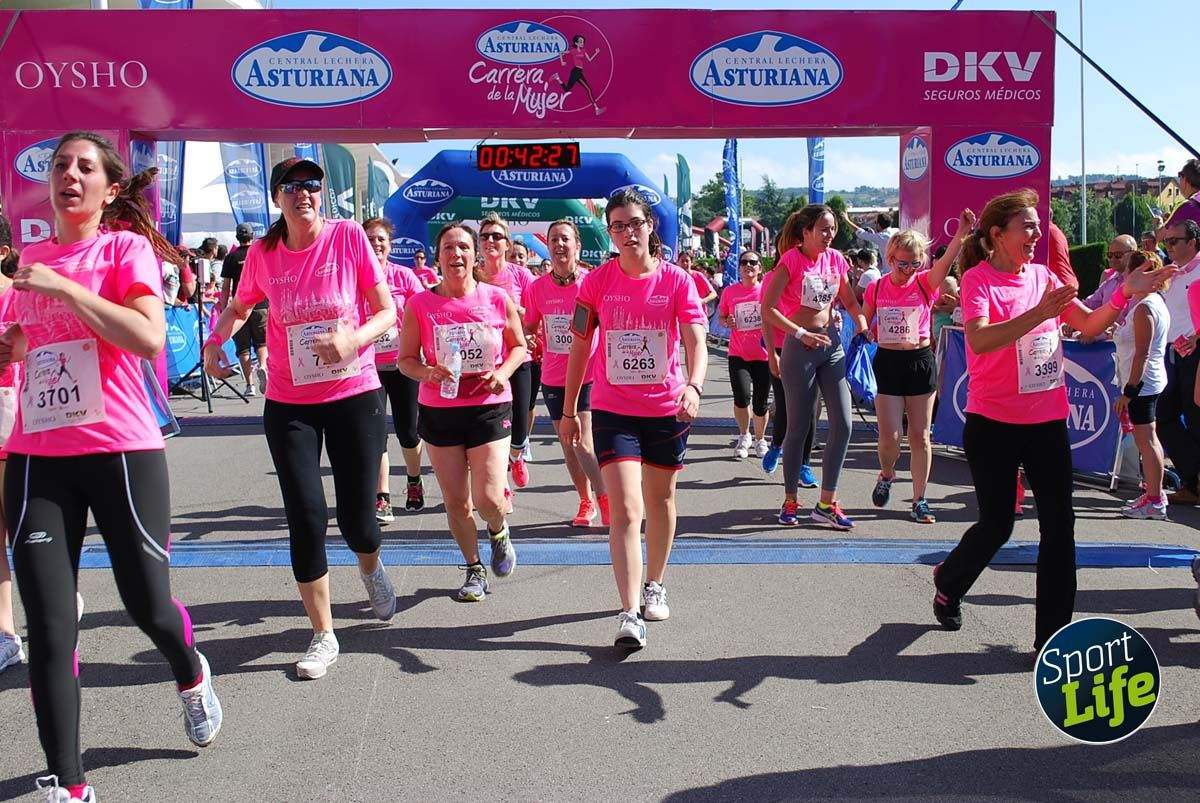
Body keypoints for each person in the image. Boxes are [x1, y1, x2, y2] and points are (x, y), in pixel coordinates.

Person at [3, 131, 223, 802]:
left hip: (121, 450)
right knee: (48, 623)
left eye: (85, 166)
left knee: (146, 603)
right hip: (40, 454)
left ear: (110, 188)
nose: (69, 174)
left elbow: (148, 336)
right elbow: (16, 346)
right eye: (59, 165)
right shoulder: (27, 262)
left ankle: (189, 669)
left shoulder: (122, 250)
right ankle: (69, 784)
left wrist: (65, 288)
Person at [931, 188, 1171, 652]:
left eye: (1039, 225)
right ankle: (950, 579)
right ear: (998, 234)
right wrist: (1039, 313)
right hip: (994, 423)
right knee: (998, 524)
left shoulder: (1042, 276)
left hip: (1046, 422)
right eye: (1028, 226)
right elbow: (979, 341)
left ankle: (1052, 639)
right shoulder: (980, 280)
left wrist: (1126, 292)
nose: (1037, 232)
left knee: (1060, 527)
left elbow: (1088, 325)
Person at [204, 157, 399, 680]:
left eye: (312, 185)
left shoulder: (349, 237)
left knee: (359, 520)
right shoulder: (264, 253)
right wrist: (215, 340)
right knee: (307, 515)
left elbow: (386, 312)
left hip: (353, 392)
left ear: (322, 194)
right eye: (292, 187)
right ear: (277, 198)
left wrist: (352, 339)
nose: (304, 194)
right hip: (291, 403)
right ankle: (323, 632)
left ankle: (370, 564)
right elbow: (241, 305)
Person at [563, 188, 707, 649]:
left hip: (666, 406)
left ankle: (655, 583)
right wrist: (569, 411)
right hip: (612, 408)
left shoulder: (678, 281)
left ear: (650, 227)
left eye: (636, 224)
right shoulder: (596, 283)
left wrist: (695, 385)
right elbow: (580, 347)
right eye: (619, 225)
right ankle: (629, 613)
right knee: (626, 509)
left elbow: (696, 341)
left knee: (661, 502)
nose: (628, 233)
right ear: (610, 232)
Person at [397, 222, 526, 601]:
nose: (457, 254)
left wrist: (502, 373)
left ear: (475, 255)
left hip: (488, 406)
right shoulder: (420, 304)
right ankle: (473, 569)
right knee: (456, 500)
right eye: (449, 248)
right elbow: (405, 361)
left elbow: (519, 347)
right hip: (440, 409)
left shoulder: (497, 298)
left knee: (487, 499)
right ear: (438, 256)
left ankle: (498, 529)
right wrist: (428, 372)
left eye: (464, 248)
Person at [862, 209, 974, 524]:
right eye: (902, 263)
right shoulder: (878, 287)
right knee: (890, 437)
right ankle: (886, 473)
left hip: (919, 360)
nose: (909, 269)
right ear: (890, 257)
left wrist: (961, 231)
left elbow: (948, 260)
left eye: (915, 263)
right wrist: (865, 328)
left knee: (921, 436)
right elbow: (864, 314)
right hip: (888, 361)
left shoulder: (925, 283)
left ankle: (919, 499)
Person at [762, 204, 868, 530]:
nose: (829, 235)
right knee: (799, 427)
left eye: (833, 228)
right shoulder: (790, 261)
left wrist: (862, 325)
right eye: (823, 228)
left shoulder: (836, 260)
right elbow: (767, 308)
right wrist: (800, 333)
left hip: (831, 346)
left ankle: (826, 503)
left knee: (844, 424)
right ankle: (790, 499)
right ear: (805, 232)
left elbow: (849, 301)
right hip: (800, 348)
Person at [524, 219, 609, 527]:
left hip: (589, 374)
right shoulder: (537, 288)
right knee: (567, 443)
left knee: (581, 442)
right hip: (554, 377)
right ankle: (585, 501)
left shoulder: (592, 282)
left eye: (565, 239)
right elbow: (530, 326)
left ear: (577, 246)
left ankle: (604, 497)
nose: (559, 245)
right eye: (554, 240)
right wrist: (530, 337)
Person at [364, 217, 426, 521]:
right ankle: (382, 497)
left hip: (404, 364)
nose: (376, 244)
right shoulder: (353, 278)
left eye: (381, 240)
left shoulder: (404, 278)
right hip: (367, 367)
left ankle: (414, 480)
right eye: (370, 239)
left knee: (408, 432)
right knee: (375, 434)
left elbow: (424, 313)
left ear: (389, 246)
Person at [477, 212, 535, 504]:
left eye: (496, 236)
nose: (490, 241)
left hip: (518, 357)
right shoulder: (472, 274)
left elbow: (537, 314)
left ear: (507, 244)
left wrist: (526, 322)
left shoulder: (520, 275)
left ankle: (517, 456)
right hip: (485, 363)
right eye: (485, 236)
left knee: (520, 426)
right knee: (494, 427)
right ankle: (501, 486)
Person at [1113, 251, 1171, 520]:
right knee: (1146, 439)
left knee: (1146, 440)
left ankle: (1155, 499)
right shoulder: (1146, 303)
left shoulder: (1145, 307)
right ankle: (1153, 493)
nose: (1123, 275)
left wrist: (1129, 391)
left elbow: (1142, 354)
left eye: (1127, 270)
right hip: (1146, 382)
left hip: (1143, 385)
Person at [1156, 219, 1200, 506]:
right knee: (1164, 418)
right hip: (1171, 353)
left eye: (1174, 241)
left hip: (1195, 353)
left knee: (1196, 420)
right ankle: (1192, 479)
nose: (1168, 247)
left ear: (1193, 242)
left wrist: (1197, 337)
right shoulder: (1170, 272)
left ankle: (1192, 483)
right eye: (1166, 242)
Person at [718, 250, 771, 459]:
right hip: (738, 353)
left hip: (763, 354)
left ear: (760, 267)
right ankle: (744, 435)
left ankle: (760, 439)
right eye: (744, 262)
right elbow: (722, 317)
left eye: (753, 262)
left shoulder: (766, 290)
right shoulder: (730, 292)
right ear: (739, 267)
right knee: (741, 397)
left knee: (760, 401)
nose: (748, 266)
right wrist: (727, 322)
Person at [0, 213, 21, 677]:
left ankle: (63, 592)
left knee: (22, 528)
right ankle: (6, 633)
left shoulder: (21, 296)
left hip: (16, 420)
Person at [220, 221, 267, 397]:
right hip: (261, 305)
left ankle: (250, 385)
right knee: (262, 343)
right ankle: (262, 367)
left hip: (239, 307)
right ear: (252, 236)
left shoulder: (231, 257)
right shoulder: (259, 253)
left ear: (237, 237)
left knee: (243, 348)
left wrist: (225, 309)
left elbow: (226, 286)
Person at [553, 34, 604, 115]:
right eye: (580, 41)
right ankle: (596, 108)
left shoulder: (584, 50)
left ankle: (557, 78)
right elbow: (561, 52)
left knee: (567, 89)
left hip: (578, 71)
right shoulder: (573, 50)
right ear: (576, 43)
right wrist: (562, 62)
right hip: (576, 72)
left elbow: (590, 59)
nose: (582, 43)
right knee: (588, 89)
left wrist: (596, 53)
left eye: (583, 41)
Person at [1160, 158, 1200, 236]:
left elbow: (1160, 236)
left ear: (1185, 179)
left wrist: (1159, 222)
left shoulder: (1187, 205)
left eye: (1180, 176)